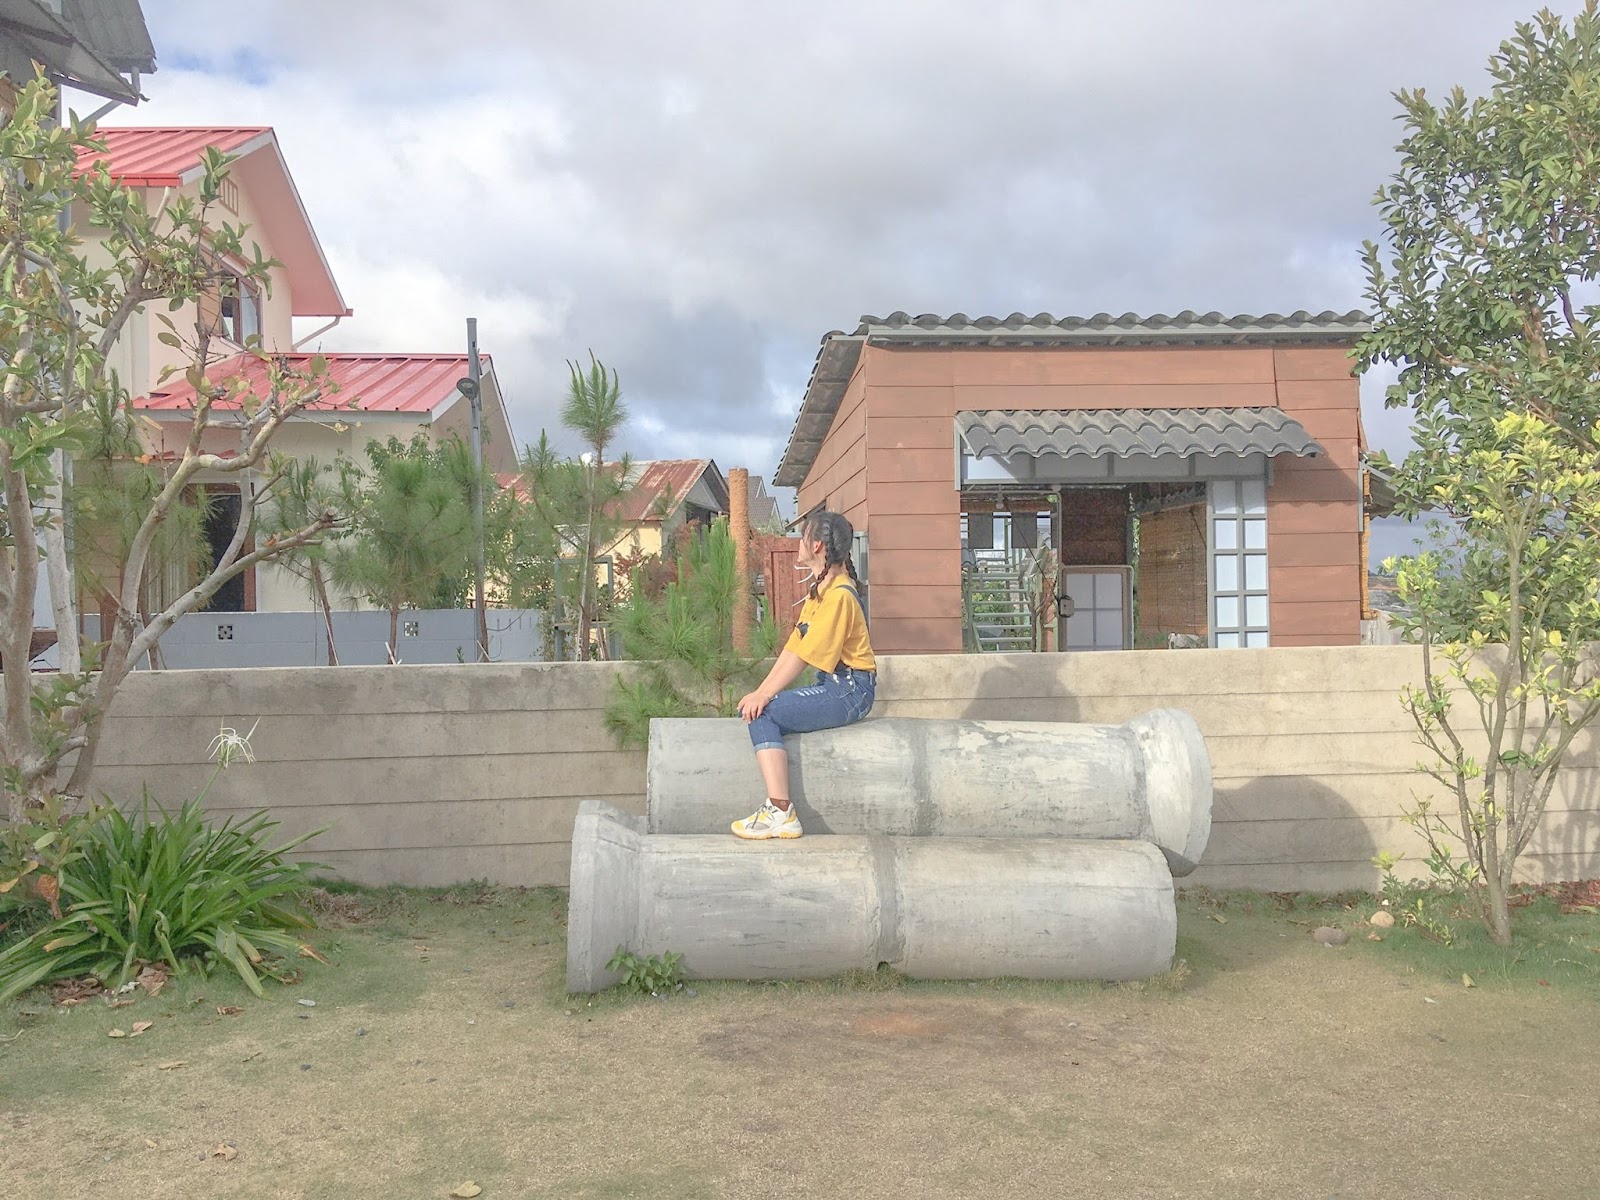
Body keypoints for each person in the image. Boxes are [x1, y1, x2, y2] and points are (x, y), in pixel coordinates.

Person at [732, 510, 876, 840]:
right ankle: (779, 811)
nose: (798, 543)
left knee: (764, 714)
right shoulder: (822, 590)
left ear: (816, 546)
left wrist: (764, 697)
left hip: (851, 691)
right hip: (835, 685)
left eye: (802, 537)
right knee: (759, 706)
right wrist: (760, 691)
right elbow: (793, 647)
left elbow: (802, 659)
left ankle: (780, 811)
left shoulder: (840, 596)